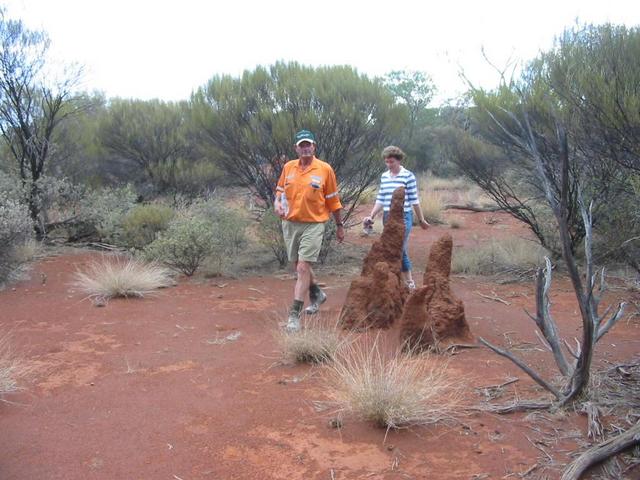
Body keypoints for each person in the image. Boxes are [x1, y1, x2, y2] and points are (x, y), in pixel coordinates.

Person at [274, 129, 345, 332]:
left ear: (314, 146)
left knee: (303, 268)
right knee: (298, 265)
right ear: (296, 148)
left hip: (314, 224)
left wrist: (340, 226)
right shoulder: (288, 168)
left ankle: (294, 316)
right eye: (301, 145)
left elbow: (334, 201)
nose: (305, 148)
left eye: (309, 145)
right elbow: (279, 192)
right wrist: (277, 204)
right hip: (290, 223)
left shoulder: (324, 169)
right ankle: (317, 293)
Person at [363, 145, 429, 289]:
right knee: (389, 247)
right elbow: (381, 198)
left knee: (399, 248)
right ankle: (393, 281)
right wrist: (371, 215)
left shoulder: (408, 176)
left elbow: (414, 200)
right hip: (388, 216)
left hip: (403, 216)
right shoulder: (384, 176)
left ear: (399, 160)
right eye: (386, 162)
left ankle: (409, 282)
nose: (389, 164)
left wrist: (421, 220)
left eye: (391, 161)